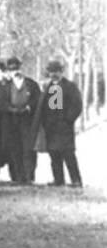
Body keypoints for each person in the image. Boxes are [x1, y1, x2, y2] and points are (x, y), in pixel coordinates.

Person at [37, 59, 83, 188]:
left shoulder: (70, 86)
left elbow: (77, 105)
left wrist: (68, 119)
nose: (53, 74)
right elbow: (44, 106)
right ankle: (58, 179)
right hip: (51, 127)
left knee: (68, 153)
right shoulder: (48, 87)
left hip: (64, 127)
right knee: (54, 154)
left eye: (56, 71)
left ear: (61, 72)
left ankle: (76, 180)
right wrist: (45, 121)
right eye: (51, 72)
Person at [0, 57, 40, 184]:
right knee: (14, 149)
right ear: (8, 71)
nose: (14, 72)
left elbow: (38, 100)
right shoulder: (6, 86)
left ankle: (29, 176)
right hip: (12, 121)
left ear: (20, 69)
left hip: (27, 120)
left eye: (16, 68)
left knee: (29, 149)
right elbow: (2, 102)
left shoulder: (31, 84)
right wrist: (10, 109)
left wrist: (29, 107)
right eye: (11, 69)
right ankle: (17, 177)